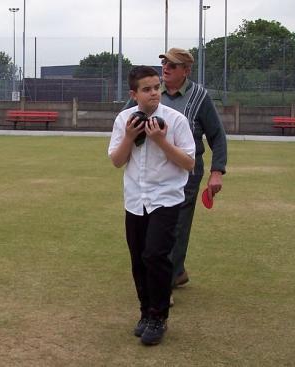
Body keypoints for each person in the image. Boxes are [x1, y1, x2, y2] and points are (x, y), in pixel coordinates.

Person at [124, 48, 227, 291]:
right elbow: (126, 122)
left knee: (176, 227)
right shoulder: (148, 93)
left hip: (186, 171)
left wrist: (217, 171)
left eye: (173, 65)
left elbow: (217, 135)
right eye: (164, 63)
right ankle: (176, 271)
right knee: (149, 228)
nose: (166, 68)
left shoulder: (200, 96)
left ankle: (165, 282)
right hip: (148, 173)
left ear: (186, 71)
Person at [108, 66, 195, 346]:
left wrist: (160, 140)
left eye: (156, 87)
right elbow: (117, 161)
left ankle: (159, 316)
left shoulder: (176, 120)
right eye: (147, 89)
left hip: (165, 199)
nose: (154, 93)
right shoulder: (124, 120)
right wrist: (130, 137)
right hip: (135, 201)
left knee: (156, 256)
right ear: (133, 94)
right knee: (138, 260)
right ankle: (145, 313)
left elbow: (189, 163)